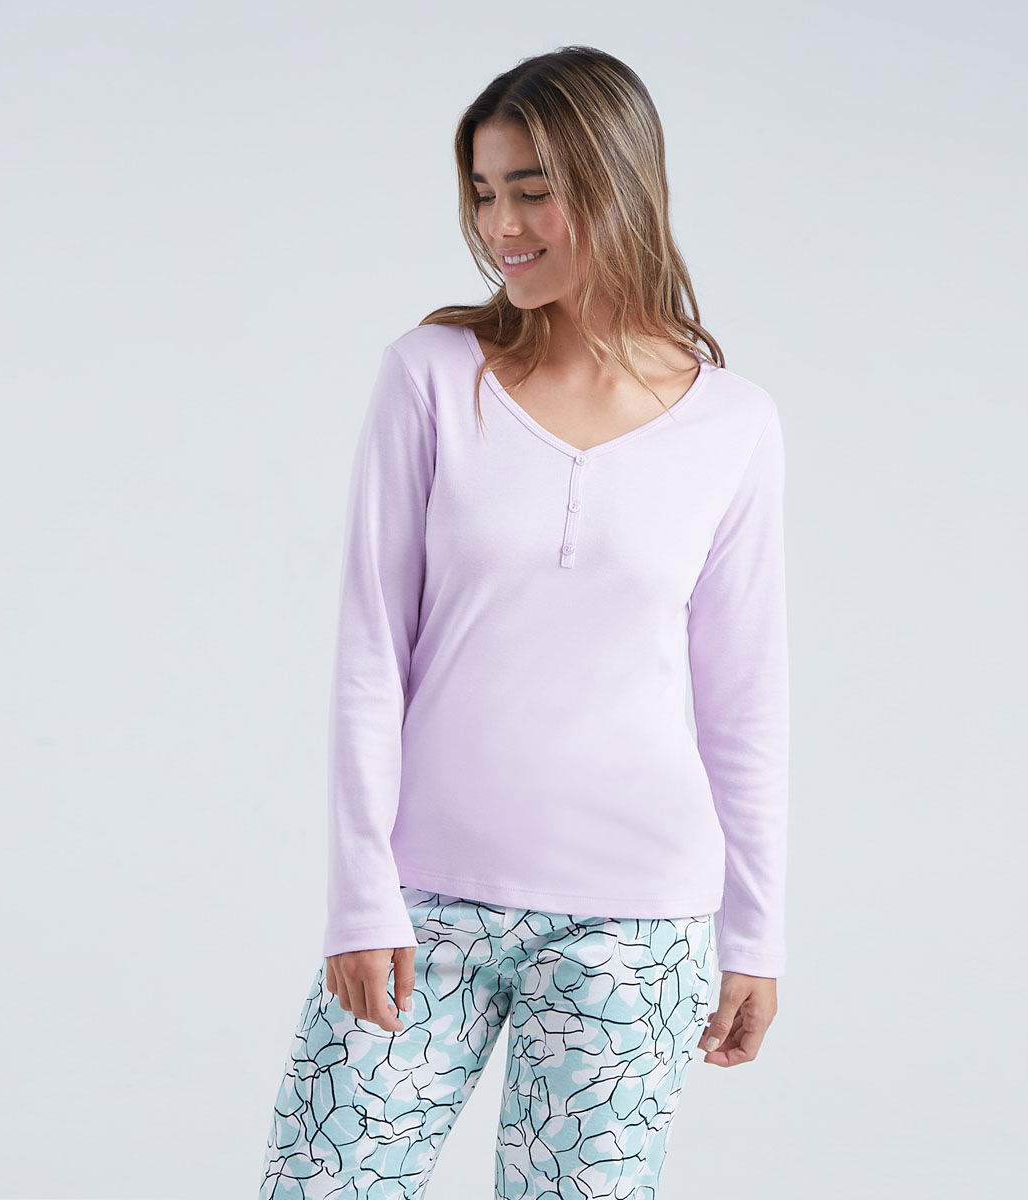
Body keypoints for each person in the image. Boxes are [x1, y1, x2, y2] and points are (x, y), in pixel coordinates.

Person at [258, 43, 790, 1200]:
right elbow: (370, 654)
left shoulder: (735, 425)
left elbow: (743, 703)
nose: (500, 225)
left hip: (636, 923)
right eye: (484, 192)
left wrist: (755, 935)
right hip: (422, 903)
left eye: (532, 192)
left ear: (615, 185)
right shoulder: (430, 376)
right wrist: (358, 894)